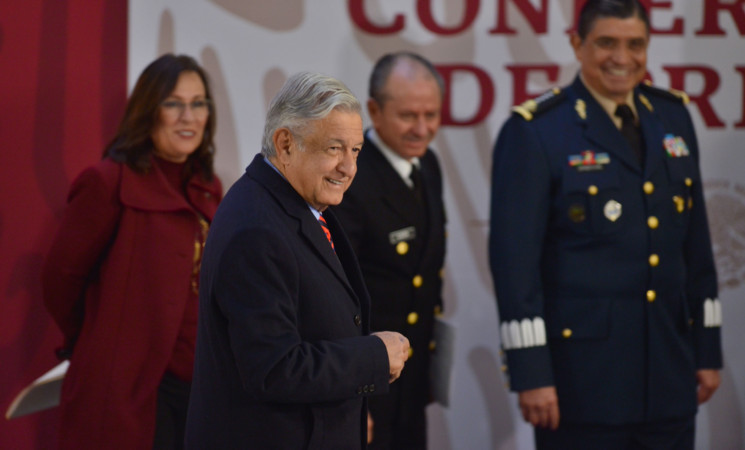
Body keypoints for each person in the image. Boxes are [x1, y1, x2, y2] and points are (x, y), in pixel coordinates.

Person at [488, 0, 722, 448]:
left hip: (669, 378)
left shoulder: (673, 117)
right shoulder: (537, 130)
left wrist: (707, 349)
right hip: (584, 385)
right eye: (606, 43)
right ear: (577, 44)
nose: (622, 57)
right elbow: (515, 266)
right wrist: (531, 372)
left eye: (636, 44)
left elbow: (695, 246)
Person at [184, 71, 410, 449]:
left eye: (355, 151)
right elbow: (273, 368)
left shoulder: (292, 206)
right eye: (334, 149)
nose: (348, 168)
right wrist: (373, 356)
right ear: (285, 144)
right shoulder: (256, 229)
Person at [41, 53, 222, 449]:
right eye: (173, 104)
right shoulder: (107, 183)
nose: (188, 117)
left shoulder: (210, 187)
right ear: (148, 111)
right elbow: (60, 282)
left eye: (198, 104)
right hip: (125, 391)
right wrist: (100, 339)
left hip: (196, 392)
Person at [333, 52, 447, 449]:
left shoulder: (428, 166)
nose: (422, 128)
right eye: (408, 116)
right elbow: (337, 297)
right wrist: (351, 396)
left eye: (431, 115)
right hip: (365, 383)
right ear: (375, 112)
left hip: (411, 381)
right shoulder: (349, 178)